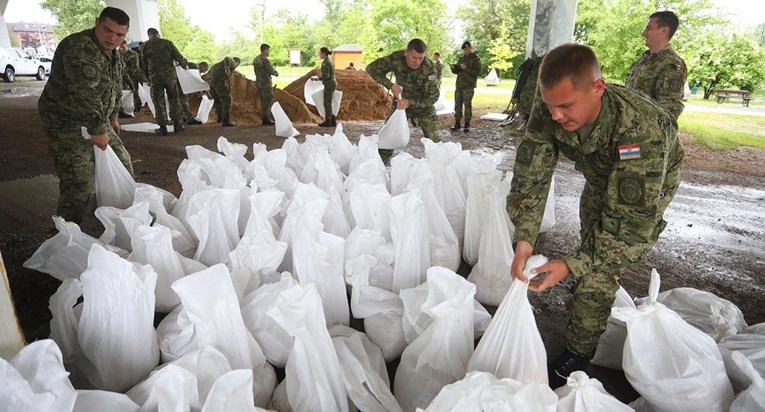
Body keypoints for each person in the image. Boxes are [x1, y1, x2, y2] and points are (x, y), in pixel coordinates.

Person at [506, 43, 684, 389]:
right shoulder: (551, 107)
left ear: (597, 88)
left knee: (600, 263)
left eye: (566, 106)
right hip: (602, 176)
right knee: (592, 242)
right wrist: (524, 241)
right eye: (550, 105)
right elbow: (532, 177)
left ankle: (578, 354)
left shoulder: (640, 130)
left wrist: (571, 264)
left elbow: (628, 229)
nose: (555, 115)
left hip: (647, 180)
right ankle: (584, 290)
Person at [38, 7, 135, 224]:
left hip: (96, 116)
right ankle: (63, 239)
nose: (113, 38)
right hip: (65, 119)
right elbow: (84, 91)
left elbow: (114, 85)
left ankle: (120, 224)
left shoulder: (112, 52)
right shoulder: (79, 47)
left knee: (123, 163)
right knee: (79, 181)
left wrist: (112, 116)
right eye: (107, 30)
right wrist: (98, 130)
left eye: (120, 35)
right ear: (96, 22)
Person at [367, 38, 440, 164]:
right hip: (400, 105)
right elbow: (371, 68)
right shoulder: (396, 58)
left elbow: (433, 97)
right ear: (406, 53)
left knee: (436, 142)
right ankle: (379, 167)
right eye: (414, 57)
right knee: (388, 138)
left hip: (423, 107)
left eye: (421, 58)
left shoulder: (429, 68)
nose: (417, 62)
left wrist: (410, 102)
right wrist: (390, 85)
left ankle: (440, 168)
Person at [626, 10, 687, 121]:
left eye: (649, 28)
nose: (643, 33)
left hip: (646, 135)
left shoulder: (671, 64)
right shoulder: (646, 58)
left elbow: (668, 112)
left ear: (664, 31)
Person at [141, 27, 188, 135]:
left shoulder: (145, 46)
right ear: (158, 34)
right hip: (170, 77)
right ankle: (177, 125)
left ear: (149, 35)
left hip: (155, 78)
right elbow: (178, 57)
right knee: (174, 100)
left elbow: (143, 65)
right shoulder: (167, 43)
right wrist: (185, 65)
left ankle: (163, 128)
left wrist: (148, 79)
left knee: (158, 102)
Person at [450, 41, 481, 133]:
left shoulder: (476, 59)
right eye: (464, 49)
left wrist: (466, 69)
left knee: (467, 105)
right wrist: (453, 69)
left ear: (471, 48)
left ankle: (467, 124)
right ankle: (457, 123)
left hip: (468, 85)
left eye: (466, 49)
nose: (465, 51)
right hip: (459, 85)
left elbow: (477, 73)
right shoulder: (461, 59)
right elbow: (458, 71)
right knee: (457, 104)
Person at [203, 57, 240, 127]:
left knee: (217, 99)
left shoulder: (220, 65)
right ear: (237, 63)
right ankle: (226, 120)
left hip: (210, 81)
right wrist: (227, 68)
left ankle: (220, 117)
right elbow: (227, 58)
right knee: (227, 99)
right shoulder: (233, 62)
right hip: (218, 80)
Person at [253, 43, 279, 126]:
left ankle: (265, 117)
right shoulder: (265, 60)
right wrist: (276, 73)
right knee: (268, 99)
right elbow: (271, 71)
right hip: (265, 82)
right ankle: (266, 118)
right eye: (268, 50)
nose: (269, 52)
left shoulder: (256, 59)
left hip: (258, 82)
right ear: (265, 50)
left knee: (263, 99)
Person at [312, 46, 337, 127]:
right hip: (333, 83)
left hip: (329, 84)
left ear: (324, 53)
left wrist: (317, 78)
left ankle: (328, 121)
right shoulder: (330, 60)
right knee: (330, 102)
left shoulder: (325, 62)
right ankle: (332, 120)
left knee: (327, 103)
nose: (319, 54)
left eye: (320, 53)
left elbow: (326, 76)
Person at [119, 40, 145, 116]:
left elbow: (135, 68)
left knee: (134, 90)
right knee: (124, 91)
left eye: (123, 47)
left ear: (126, 45)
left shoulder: (134, 54)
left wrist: (124, 67)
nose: (122, 49)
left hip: (134, 75)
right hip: (123, 75)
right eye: (121, 48)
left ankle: (137, 106)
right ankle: (125, 108)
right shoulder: (119, 54)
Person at [176, 61, 204, 126]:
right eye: (203, 71)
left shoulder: (188, 66)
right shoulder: (194, 68)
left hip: (175, 79)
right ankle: (187, 118)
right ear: (202, 66)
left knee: (180, 98)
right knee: (182, 99)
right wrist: (204, 91)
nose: (203, 73)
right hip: (176, 80)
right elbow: (197, 81)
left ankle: (183, 116)